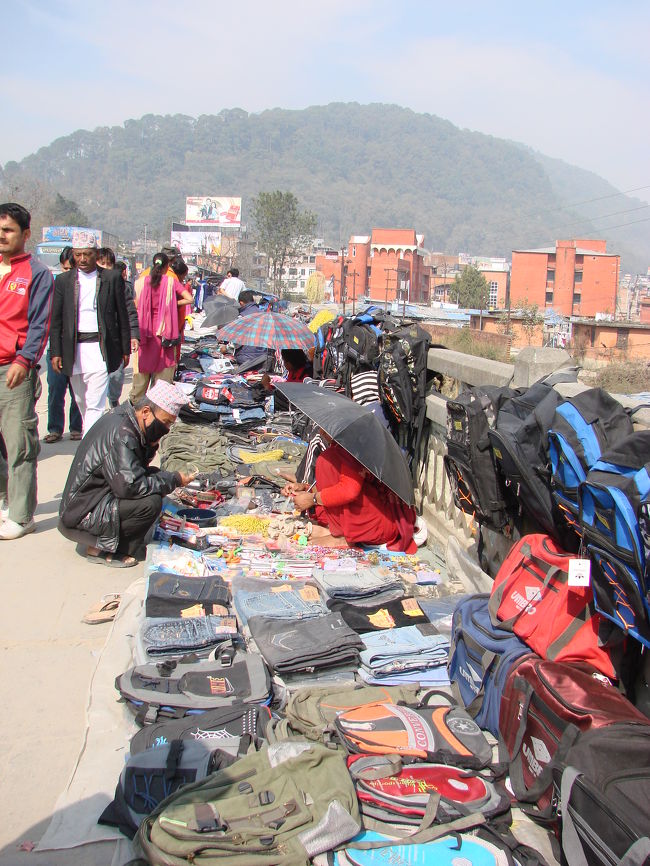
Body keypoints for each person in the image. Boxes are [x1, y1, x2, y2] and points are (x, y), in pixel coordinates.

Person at [59, 380, 194, 567]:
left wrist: (150, 446)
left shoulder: (126, 420)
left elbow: (135, 470)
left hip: (88, 502)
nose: (166, 429)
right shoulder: (122, 434)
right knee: (150, 503)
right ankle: (103, 549)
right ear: (146, 412)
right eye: (165, 422)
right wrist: (174, 480)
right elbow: (131, 487)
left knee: (155, 476)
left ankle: (107, 541)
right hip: (82, 513)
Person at [0, 202, 53, 539]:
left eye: (8, 230)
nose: (2, 236)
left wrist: (25, 360)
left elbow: (38, 324)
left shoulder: (36, 273)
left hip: (12, 370)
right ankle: (5, 499)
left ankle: (21, 515)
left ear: (25, 234)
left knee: (19, 443)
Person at [50, 234, 131, 435]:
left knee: (95, 403)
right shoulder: (63, 281)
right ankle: (92, 436)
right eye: (79, 255)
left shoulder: (111, 278)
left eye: (88, 254)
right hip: (74, 349)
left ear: (96, 254)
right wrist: (55, 351)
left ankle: (88, 447)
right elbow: (56, 320)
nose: (83, 259)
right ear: (73, 255)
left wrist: (125, 348)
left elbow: (122, 314)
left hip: (100, 348)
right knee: (80, 400)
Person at [283, 435, 416, 552]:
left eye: (324, 429)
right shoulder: (342, 447)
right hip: (375, 518)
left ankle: (342, 537)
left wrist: (312, 499)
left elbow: (349, 491)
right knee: (328, 459)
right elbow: (335, 486)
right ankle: (338, 532)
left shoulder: (354, 448)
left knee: (327, 459)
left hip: (383, 524)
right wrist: (304, 489)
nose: (321, 433)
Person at [129, 252, 193, 403]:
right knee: (162, 383)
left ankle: (135, 413)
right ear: (167, 266)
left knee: (140, 381)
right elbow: (189, 299)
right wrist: (171, 304)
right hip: (165, 337)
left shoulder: (140, 282)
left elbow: (135, 305)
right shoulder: (171, 282)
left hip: (145, 336)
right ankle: (155, 414)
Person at [44, 246, 83, 443]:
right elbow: (52, 321)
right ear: (61, 267)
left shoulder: (83, 288)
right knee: (55, 391)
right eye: (66, 269)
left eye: (72, 269)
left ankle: (76, 427)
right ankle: (55, 429)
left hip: (77, 347)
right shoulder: (55, 286)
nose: (69, 273)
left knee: (77, 391)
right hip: (57, 347)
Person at [97, 248, 140, 408]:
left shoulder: (121, 286)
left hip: (115, 339)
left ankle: (113, 401)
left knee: (116, 375)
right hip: (94, 341)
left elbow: (130, 312)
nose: (106, 267)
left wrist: (133, 335)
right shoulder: (88, 284)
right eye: (102, 263)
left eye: (109, 264)